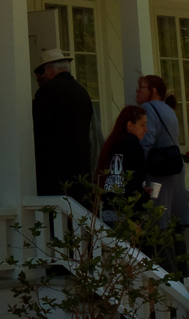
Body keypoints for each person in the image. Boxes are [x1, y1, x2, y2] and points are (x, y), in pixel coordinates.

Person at [135, 73, 189, 252]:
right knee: (175, 232)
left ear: (153, 90)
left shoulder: (149, 109)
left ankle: (166, 275)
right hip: (175, 174)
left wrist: (136, 171)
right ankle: (181, 276)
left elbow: (145, 142)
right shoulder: (168, 110)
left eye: (141, 87)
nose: (137, 91)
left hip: (159, 176)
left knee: (158, 231)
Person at [31, 48, 94, 200]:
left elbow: (37, 126)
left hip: (55, 170)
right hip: (81, 167)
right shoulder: (82, 91)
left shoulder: (47, 92)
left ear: (51, 71)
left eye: (43, 73)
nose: (42, 77)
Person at [95, 105, 149, 203]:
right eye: (142, 125)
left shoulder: (112, 144)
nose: (146, 129)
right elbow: (135, 180)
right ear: (130, 125)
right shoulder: (133, 145)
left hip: (110, 204)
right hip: (127, 208)